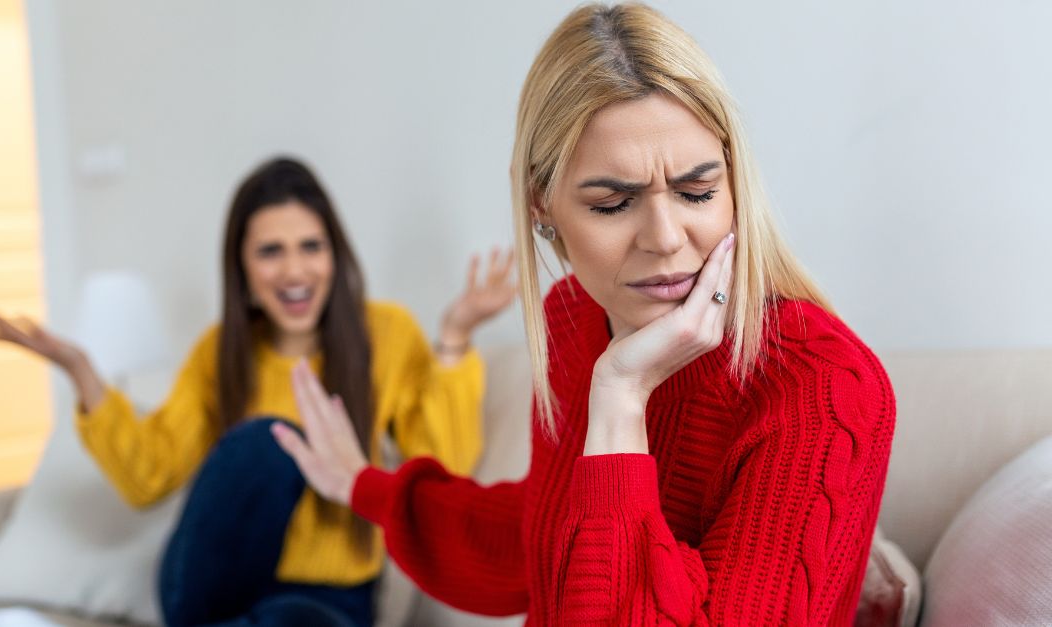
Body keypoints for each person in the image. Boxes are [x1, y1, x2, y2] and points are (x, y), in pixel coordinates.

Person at [272, 5, 896, 626]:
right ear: (542, 202)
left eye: (698, 192)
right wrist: (366, 486)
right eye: (613, 203)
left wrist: (622, 398)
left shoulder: (822, 389)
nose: (665, 236)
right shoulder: (571, 317)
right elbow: (543, 536)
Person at [0, 157, 516, 627]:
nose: (295, 269)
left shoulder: (388, 335)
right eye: (270, 251)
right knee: (266, 444)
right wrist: (82, 373)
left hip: (329, 599)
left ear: (335, 255)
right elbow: (148, 475)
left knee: (290, 623)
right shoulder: (220, 351)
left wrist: (455, 338)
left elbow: (444, 465)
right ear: (244, 267)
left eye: (311, 246)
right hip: (209, 590)